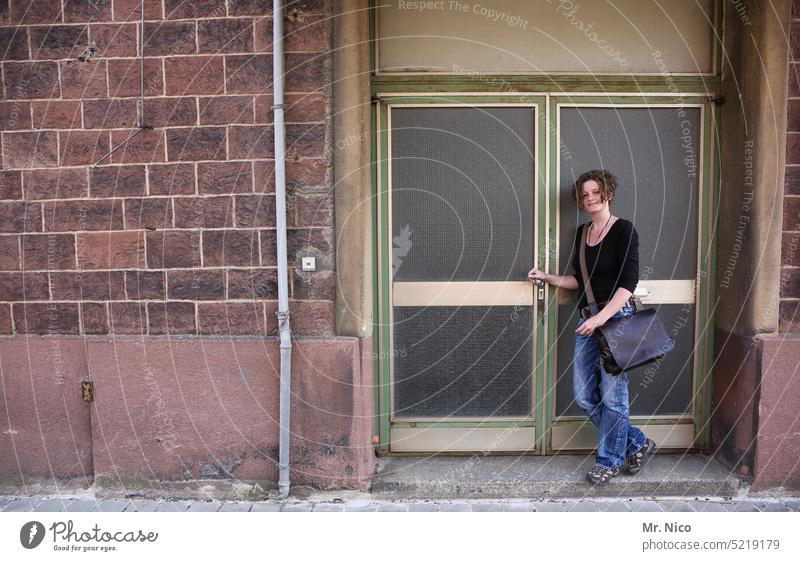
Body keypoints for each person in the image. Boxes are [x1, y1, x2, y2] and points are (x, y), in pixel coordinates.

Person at [528, 170, 655, 485]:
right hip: (589, 319)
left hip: (617, 318)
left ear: (608, 192)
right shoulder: (583, 232)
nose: (590, 198)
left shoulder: (624, 230)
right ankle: (637, 442)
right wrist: (548, 278)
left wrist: (601, 317)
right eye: (584, 195)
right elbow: (580, 281)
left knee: (614, 397)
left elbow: (628, 283)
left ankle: (608, 461)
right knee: (585, 395)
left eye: (595, 192)